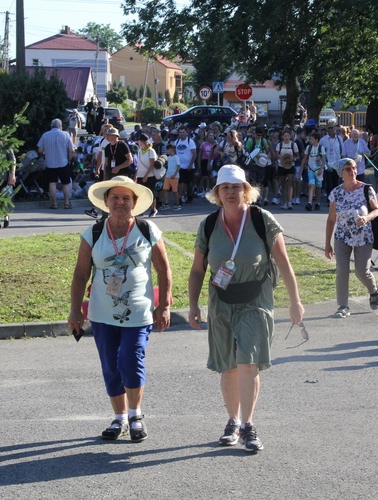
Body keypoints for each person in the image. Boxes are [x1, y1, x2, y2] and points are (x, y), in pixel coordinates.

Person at [187, 165, 304, 453]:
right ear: (216, 193)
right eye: (224, 188)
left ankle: (248, 425)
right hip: (220, 301)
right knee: (227, 366)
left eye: (236, 187)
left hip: (256, 299)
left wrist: (295, 301)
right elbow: (197, 269)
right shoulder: (210, 224)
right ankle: (232, 421)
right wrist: (192, 305)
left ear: (245, 190)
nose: (230, 192)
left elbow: (285, 264)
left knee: (248, 361)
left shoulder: (262, 219)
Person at [68, 176, 172, 443]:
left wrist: (164, 306)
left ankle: (136, 415)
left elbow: (163, 270)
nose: (120, 202)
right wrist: (75, 311)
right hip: (102, 313)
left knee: (130, 358)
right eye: (115, 197)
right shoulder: (93, 233)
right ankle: (119, 418)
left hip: (138, 312)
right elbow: (81, 274)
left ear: (135, 204)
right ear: (106, 202)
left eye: (127, 198)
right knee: (111, 366)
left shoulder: (147, 230)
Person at [324, 158, 378, 318]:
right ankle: (343, 306)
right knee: (342, 271)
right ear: (341, 173)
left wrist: (367, 218)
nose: (353, 172)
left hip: (364, 236)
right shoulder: (335, 193)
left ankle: (374, 290)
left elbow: (376, 210)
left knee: (361, 272)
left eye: (354, 168)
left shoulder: (366, 189)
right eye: (348, 169)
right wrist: (327, 244)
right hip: (342, 236)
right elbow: (331, 219)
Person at [37, 118, 75, 209]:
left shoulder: (45, 135)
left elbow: (40, 150)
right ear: (60, 126)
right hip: (63, 162)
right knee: (65, 183)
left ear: (51, 126)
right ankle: (66, 203)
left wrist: (43, 155)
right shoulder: (65, 135)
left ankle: (54, 203)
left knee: (52, 183)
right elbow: (71, 149)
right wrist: (69, 159)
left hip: (50, 163)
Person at [0, 128, 16, 228]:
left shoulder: (6, 146)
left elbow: (12, 160)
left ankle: (5, 216)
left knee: (2, 198)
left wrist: (12, 174)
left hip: (3, 176)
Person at [135, 133, 159, 217]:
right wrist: (136, 175)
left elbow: (152, 165)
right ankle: (141, 211)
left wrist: (146, 176)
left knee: (150, 193)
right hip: (140, 175)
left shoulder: (151, 151)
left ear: (142, 141)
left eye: (138, 140)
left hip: (150, 176)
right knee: (141, 194)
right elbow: (138, 165)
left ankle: (153, 209)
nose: (138, 142)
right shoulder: (139, 151)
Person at [302, 131, 325, 211]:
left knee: (318, 187)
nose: (310, 140)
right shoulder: (309, 147)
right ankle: (309, 203)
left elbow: (324, 160)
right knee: (311, 185)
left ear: (316, 139)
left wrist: (321, 169)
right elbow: (305, 158)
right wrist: (301, 169)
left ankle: (317, 203)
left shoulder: (321, 148)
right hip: (310, 169)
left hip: (318, 170)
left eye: (312, 138)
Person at [276, 130, 299, 210]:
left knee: (290, 182)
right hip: (281, 166)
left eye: (288, 136)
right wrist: (281, 159)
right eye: (285, 136)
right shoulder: (280, 144)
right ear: (282, 137)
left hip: (290, 166)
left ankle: (289, 202)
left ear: (290, 136)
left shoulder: (293, 144)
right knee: (283, 184)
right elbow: (277, 154)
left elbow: (297, 155)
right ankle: (284, 202)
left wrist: (293, 159)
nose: (286, 137)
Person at [175, 126, 197, 204]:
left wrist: (191, 165)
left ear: (186, 133)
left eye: (183, 132)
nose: (182, 134)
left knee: (189, 183)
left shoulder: (190, 141)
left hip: (189, 166)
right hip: (180, 166)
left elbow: (194, 154)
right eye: (180, 132)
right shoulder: (176, 142)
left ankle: (190, 196)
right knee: (181, 182)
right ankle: (180, 197)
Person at [161, 144, 181, 210]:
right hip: (168, 176)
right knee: (164, 189)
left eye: (168, 149)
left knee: (175, 191)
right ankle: (167, 204)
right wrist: (165, 175)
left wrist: (174, 174)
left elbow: (178, 166)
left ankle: (178, 204)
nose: (167, 151)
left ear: (172, 149)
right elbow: (167, 167)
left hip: (174, 177)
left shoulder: (176, 157)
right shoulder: (168, 157)